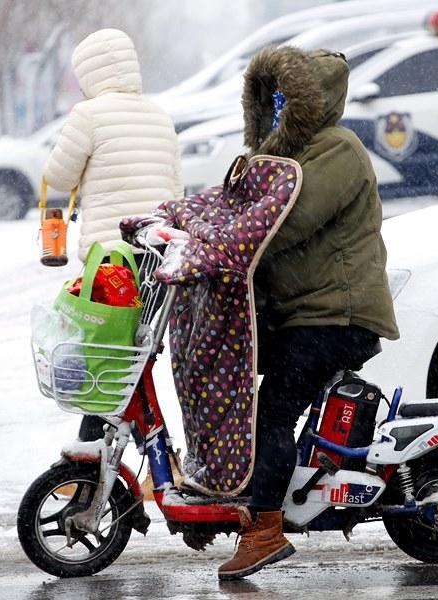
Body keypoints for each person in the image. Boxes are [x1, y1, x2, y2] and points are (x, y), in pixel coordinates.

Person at [217, 47, 400, 580]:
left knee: (271, 410)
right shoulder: (284, 156)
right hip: (302, 312)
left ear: (309, 103)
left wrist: (226, 233)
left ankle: (265, 530)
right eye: (268, 98)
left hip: (335, 314)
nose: (275, 108)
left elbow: (286, 223)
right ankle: (245, 488)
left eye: (285, 98)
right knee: (232, 380)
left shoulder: (336, 150)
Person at [43, 28, 182, 442]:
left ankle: (95, 456)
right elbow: (176, 191)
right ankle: (142, 452)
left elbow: (57, 175)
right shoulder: (160, 115)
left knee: (106, 358)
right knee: (133, 357)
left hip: (111, 261)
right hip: (157, 259)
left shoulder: (88, 115)